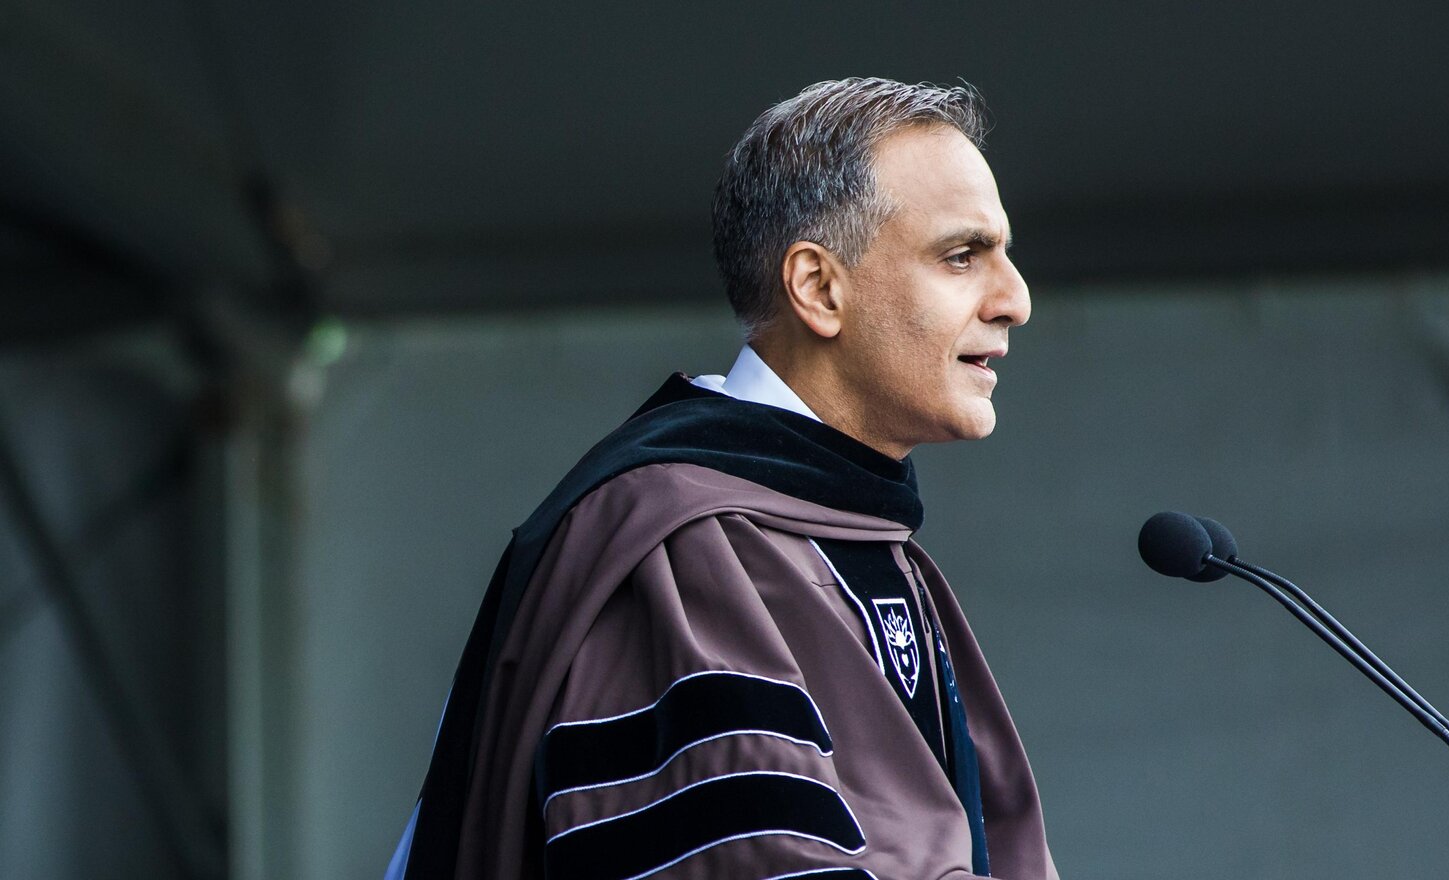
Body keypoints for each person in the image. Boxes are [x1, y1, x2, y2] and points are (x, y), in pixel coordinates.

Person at [388, 77, 1058, 880]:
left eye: (1004, 255)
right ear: (818, 287)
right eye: (961, 256)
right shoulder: (670, 545)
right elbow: (738, 855)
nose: (1014, 299)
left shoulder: (871, 541)